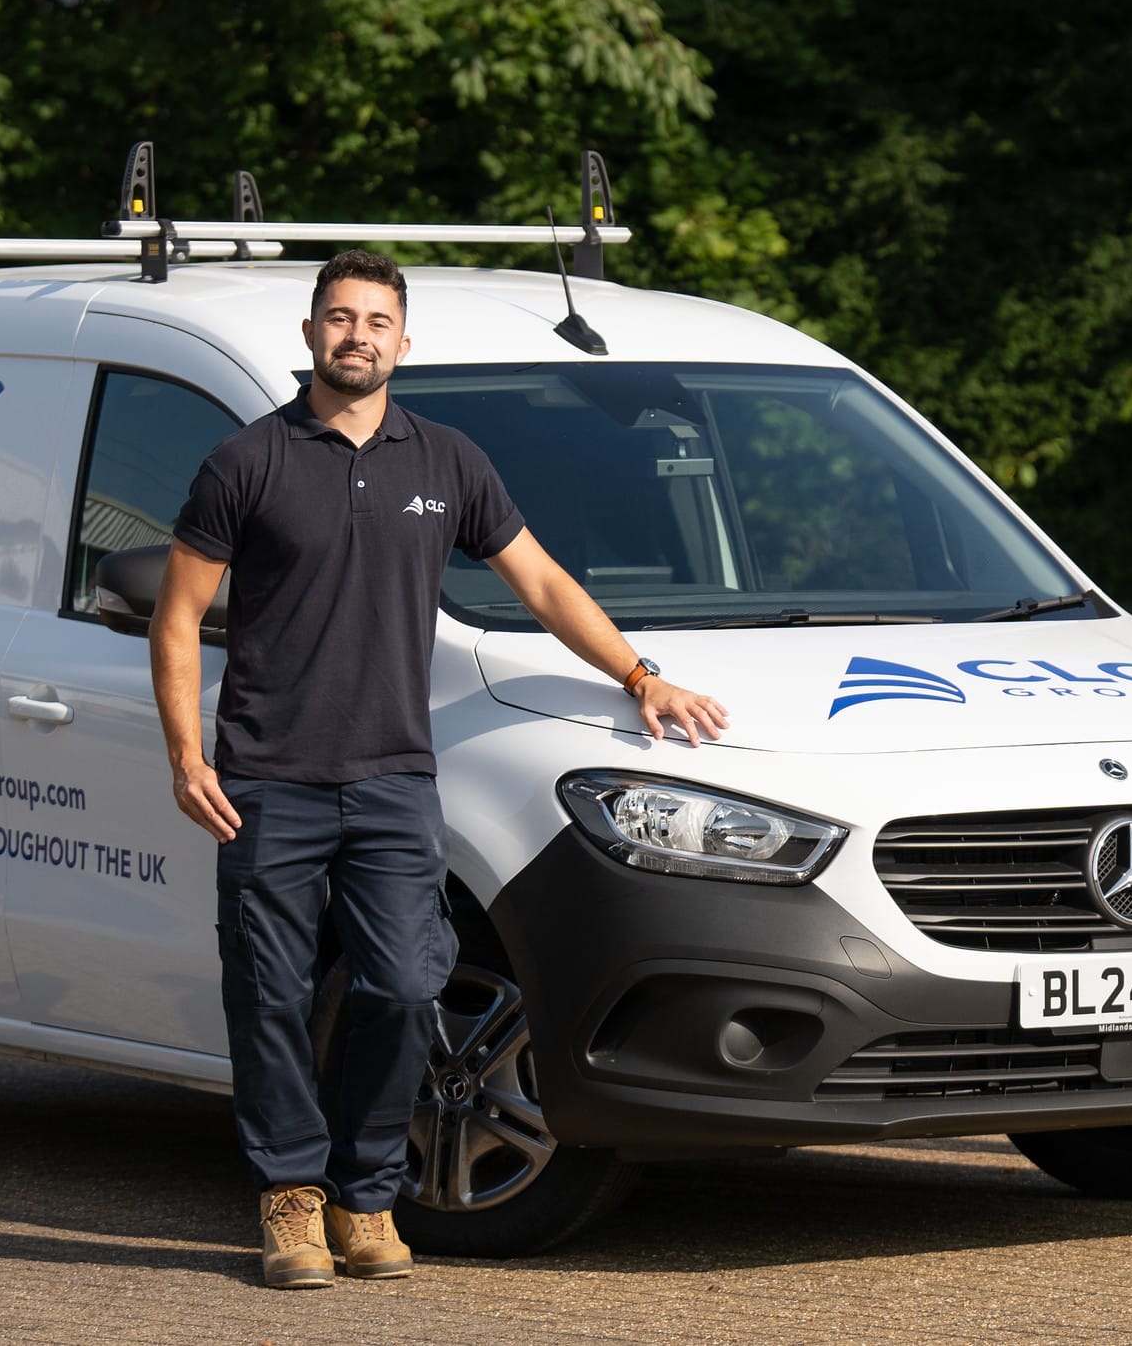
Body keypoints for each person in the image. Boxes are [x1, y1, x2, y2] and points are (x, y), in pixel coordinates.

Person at [149, 249, 730, 1289]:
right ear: (310, 334)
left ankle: (368, 1194)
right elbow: (180, 611)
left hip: (392, 778)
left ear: (402, 344)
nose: (355, 335)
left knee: (407, 985)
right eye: (338, 317)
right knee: (270, 997)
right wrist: (187, 753)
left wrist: (642, 676)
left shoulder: (447, 462)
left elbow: (541, 582)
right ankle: (292, 1201)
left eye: (375, 320)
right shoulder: (248, 461)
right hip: (267, 780)